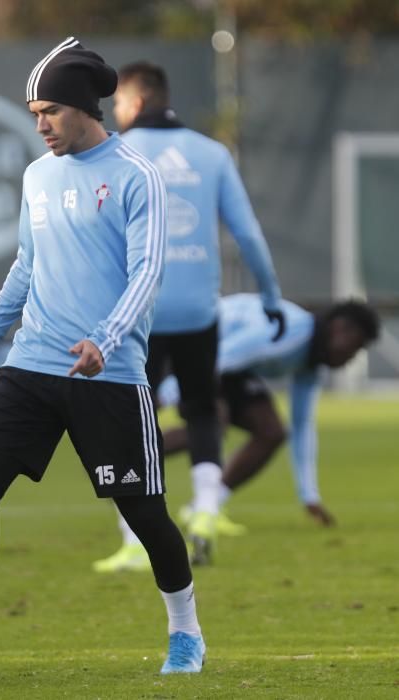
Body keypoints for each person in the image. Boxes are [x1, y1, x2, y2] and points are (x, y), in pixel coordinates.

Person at [0, 36, 206, 675]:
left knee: (143, 514)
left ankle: (186, 632)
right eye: (33, 113)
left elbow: (148, 274)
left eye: (49, 111)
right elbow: (26, 267)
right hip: (29, 365)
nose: (40, 126)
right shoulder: (37, 175)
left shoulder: (138, 175)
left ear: (87, 107)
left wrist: (106, 339)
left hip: (108, 373)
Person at [107, 61, 284, 565]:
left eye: (118, 103)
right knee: (203, 410)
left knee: (131, 421)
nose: (115, 114)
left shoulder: (116, 154)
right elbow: (248, 234)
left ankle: (132, 543)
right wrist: (270, 298)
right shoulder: (213, 153)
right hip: (197, 313)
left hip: (136, 311)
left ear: (136, 102)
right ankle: (206, 507)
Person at [95, 294, 380, 572]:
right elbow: (226, 353)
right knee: (211, 423)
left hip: (227, 365)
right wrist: (173, 388)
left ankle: (205, 505)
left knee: (271, 431)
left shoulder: (310, 362)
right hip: (195, 347)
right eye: (354, 348)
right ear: (340, 328)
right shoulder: (290, 330)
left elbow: (302, 426)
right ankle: (123, 470)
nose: (350, 359)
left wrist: (309, 494)